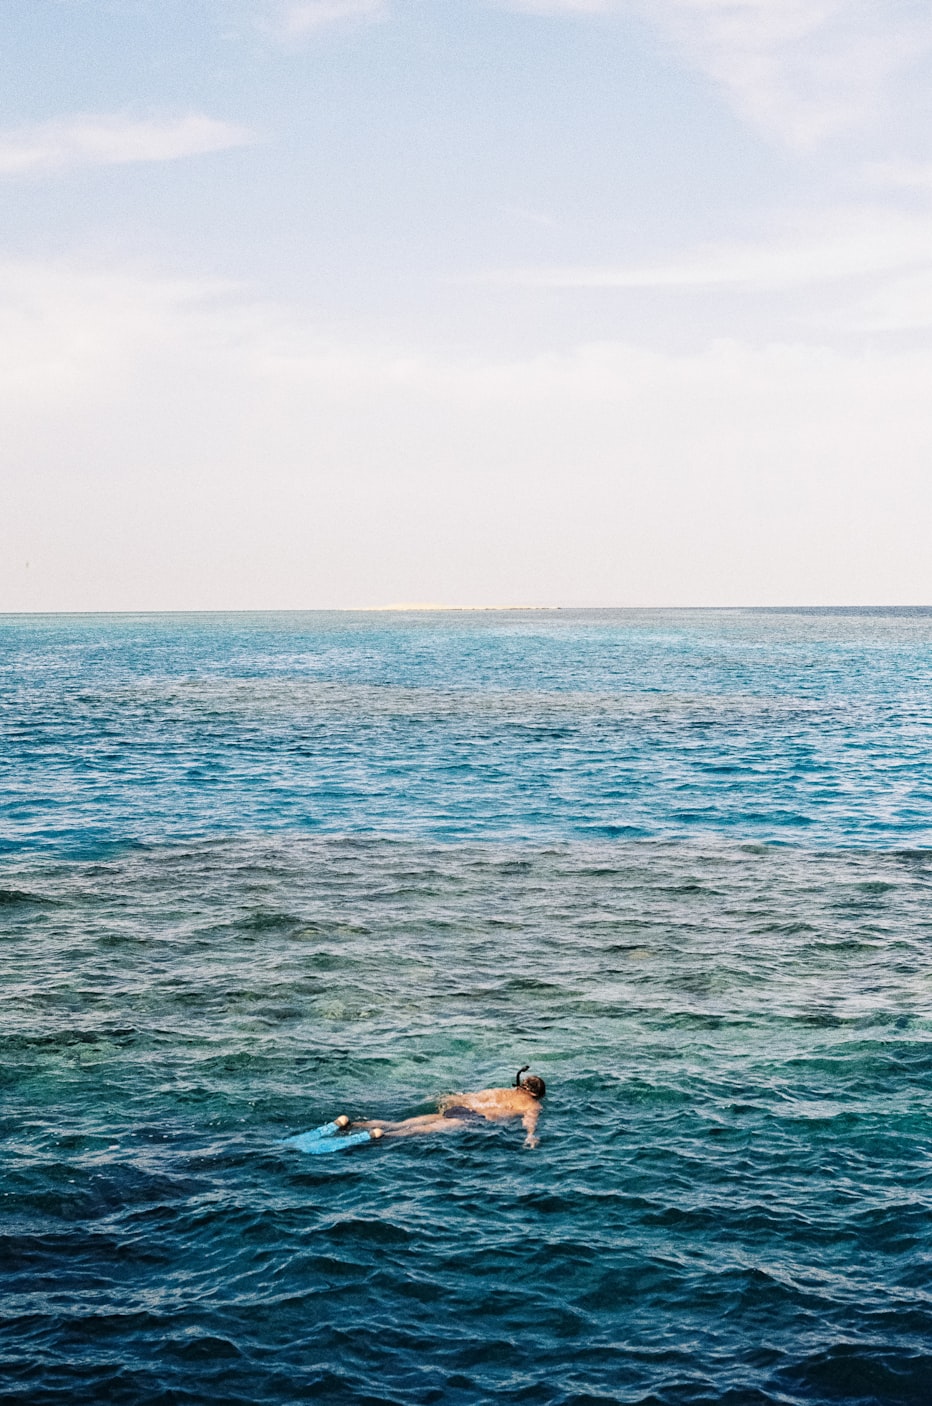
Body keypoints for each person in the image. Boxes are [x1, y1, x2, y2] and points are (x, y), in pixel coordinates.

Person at [333, 1066, 546, 1149]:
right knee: (425, 1131)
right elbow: (529, 1121)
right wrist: (530, 1136)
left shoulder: (501, 1091)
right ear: (536, 1094)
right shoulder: (532, 1104)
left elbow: (471, 1097)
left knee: (401, 1123)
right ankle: (383, 1136)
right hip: (475, 1119)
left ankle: (352, 1124)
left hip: (459, 1109)